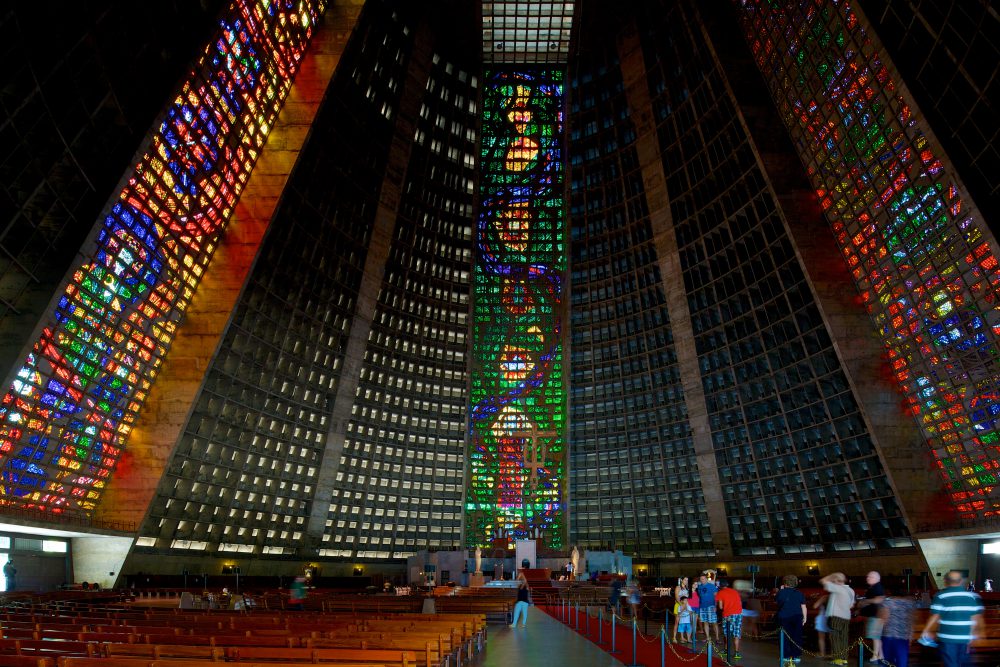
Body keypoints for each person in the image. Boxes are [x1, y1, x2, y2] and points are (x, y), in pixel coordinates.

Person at [920, 570, 984, 667]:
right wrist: (972, 636)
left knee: (951, 664)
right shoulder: (972, 596)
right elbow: (975, 618)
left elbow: (935, 616)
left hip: (947, 638)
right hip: (965, 638)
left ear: (946, 582)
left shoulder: (940, 596)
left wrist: (926, 630)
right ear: (961, 581)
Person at [820, 572, 855, 666]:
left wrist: (832, 576)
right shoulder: (851, 590)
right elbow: (851, 605)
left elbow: (823, 581)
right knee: (843, 638)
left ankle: (837, 659)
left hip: (836, 617)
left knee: (835, 638)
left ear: (836, 580)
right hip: (846, 617)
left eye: (834, 580)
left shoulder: (837, 588)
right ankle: (844, 658)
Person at [878, 586, 915, 667]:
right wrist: (911, 635)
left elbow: (884, 620)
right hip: (903, 636)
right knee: (901, 663)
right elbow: (911, 620)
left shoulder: (887, 603)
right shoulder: (909, 603)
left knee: (886, 662)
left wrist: (877, 635)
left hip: (888, 635)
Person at [775, 575, 807, 665]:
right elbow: (803, 606)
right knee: (797, 636)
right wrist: (805, 618)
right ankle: (796, 656)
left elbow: (778, 602)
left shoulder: (781, 592)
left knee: (784, 636)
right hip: (797, 616)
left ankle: (785, 656)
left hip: (784, 616)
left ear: (785, 583)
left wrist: (781, 590)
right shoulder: (799, 593)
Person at [856, 571, 886, 664]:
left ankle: (875, 656)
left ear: (877, 578)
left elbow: (879, 599)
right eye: (868, 576)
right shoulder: (873, 587)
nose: (868, 578)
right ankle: (881, 655)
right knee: (876, 636)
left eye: (870, 577)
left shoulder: (877, 587)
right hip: (875, 615)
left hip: (876, 616)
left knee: (875, 637)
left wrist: (865, 601)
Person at [716, 579, 743, 660]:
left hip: (728, 615)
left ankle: (726, 650)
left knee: (727, 633)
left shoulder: (720, 592)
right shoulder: (735, 591)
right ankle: (737, 653)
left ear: (720, 585)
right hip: (738, 613)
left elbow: (720, 607)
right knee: (736, 633)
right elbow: (740, 602)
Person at [697, 574, 720, 643]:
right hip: (702, 606)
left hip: (711, 606)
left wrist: (715, 606)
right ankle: (707, 637)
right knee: (705, 622)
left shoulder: (712, 586)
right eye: (701, 579)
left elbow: (716, 597)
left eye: (703, 579)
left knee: (714, 622)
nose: (702, 580)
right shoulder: (699, 587)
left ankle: (717, 638)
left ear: (706, 579)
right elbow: (700, 596)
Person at [672, 577, 690, 642]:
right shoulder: (678, 587)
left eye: (687, 580)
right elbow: (676, 597)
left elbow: (687, 598)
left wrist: (686, 606)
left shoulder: (687, 588)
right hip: (678, 605)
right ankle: (674, 637)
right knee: (677, 622)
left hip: (685, 606)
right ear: (682, 580)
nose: (686, 581)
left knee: (682, 623)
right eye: (685, 580)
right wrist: (681, 604)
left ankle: (682, 637)